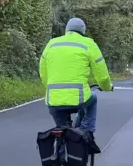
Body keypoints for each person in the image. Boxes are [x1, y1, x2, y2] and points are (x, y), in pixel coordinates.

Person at [38, 17, 113, 151]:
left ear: (66, 30)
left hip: (53, 98)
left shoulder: (52, 43)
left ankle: (59, 158)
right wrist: (107, 87)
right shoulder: (88, 43)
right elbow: (102, 75)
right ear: (83, 31)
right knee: (93, 99)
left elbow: (43, 72)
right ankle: (87, 130)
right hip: (79, 98)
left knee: (61, 128)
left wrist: (50, 88)